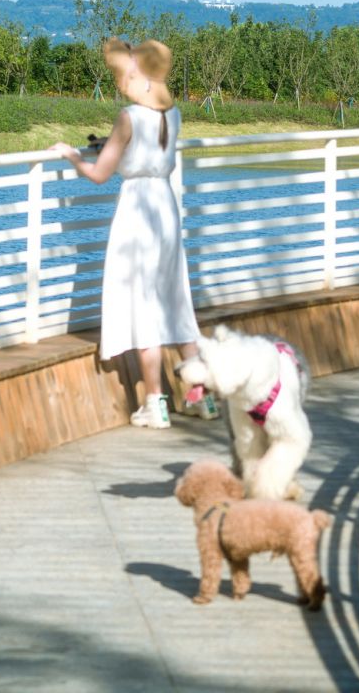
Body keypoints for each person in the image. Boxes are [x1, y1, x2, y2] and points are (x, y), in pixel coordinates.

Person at [50, 37, 216, 430]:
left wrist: (73, 156)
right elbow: (147, 150)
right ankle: (201, 398)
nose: (122, 79)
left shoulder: (128, 117)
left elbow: (99, 174)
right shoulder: (172, 114)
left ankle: (155, 402)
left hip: (138, 209)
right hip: (165, 207)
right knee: (174, 300)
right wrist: (113, 145)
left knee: (144, 304)